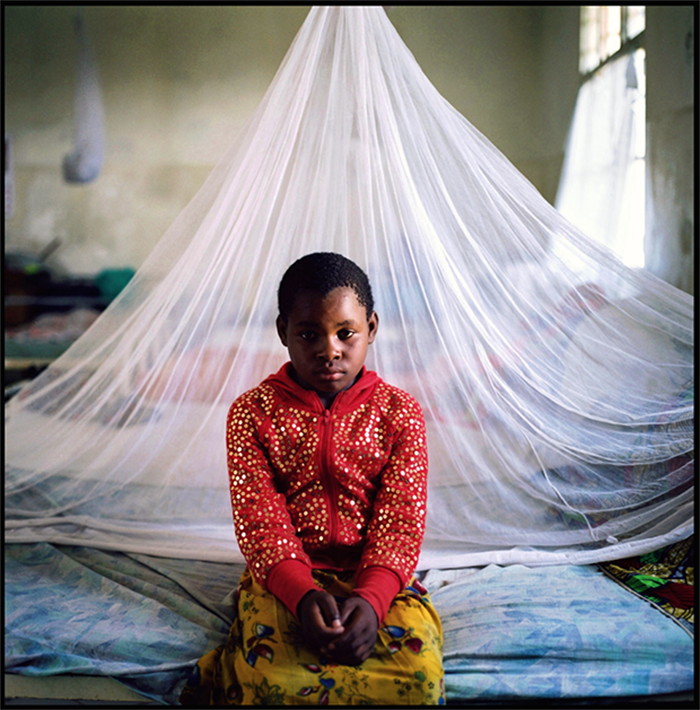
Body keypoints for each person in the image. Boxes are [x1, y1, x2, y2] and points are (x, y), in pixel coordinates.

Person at [180, 252, 445, 705]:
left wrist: (373, 599)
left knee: (417, 679)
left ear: (371, 328)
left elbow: (401, 522)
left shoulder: (399, 412)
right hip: (285, 576)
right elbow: (260, 522)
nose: (329, 350)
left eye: (346, 333)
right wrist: (301, 594)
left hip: (378, 574)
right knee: (269, 680)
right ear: (283, 331)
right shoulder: (252, 414)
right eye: (308, 334)